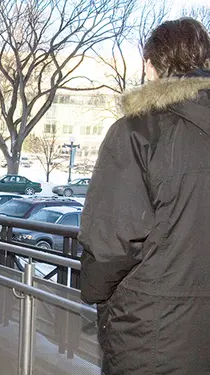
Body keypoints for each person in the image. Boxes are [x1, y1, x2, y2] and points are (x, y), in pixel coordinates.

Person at [78, 18, 210, 374]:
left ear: (151, 65)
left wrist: (93, 290)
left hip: (151, 332)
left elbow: (112, 238)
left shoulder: (138, 131)